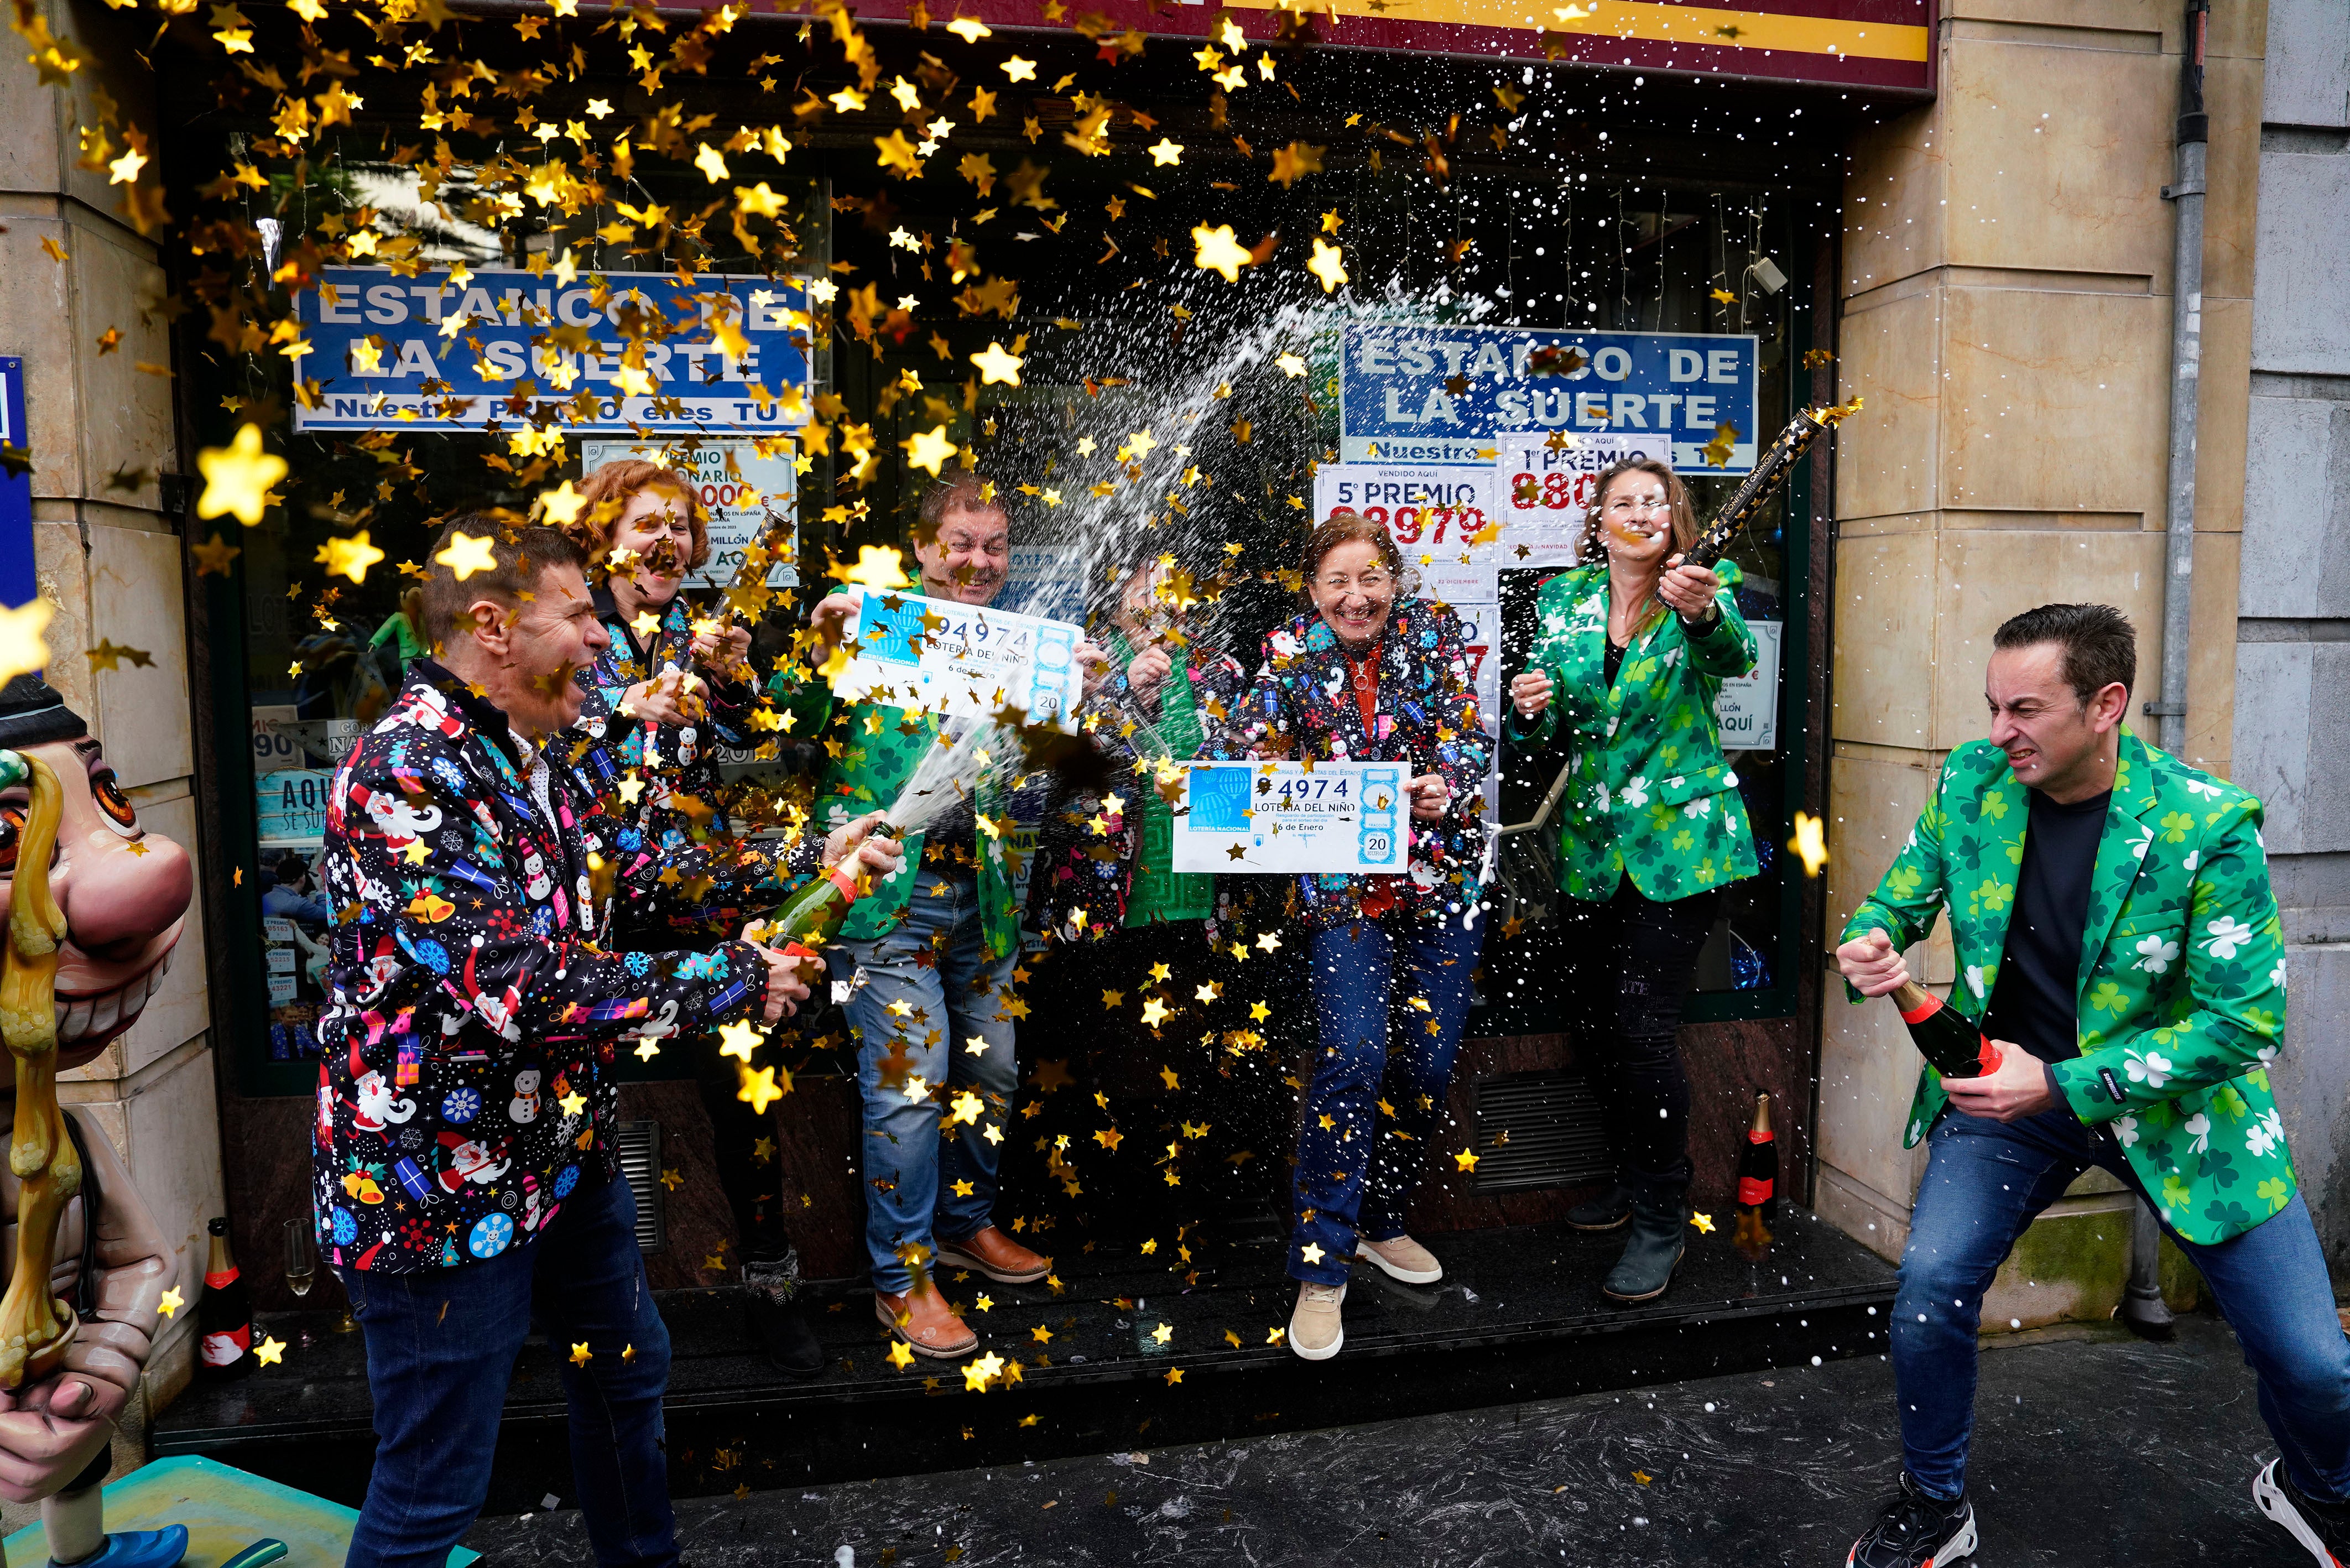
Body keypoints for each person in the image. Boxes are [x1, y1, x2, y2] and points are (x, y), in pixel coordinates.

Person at [311, 519, 864, 1568]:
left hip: (561, 1159)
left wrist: (814, 860)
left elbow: (650, 872)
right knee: (434, 1484)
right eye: (577, 614)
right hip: (431, 1187)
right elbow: (520, 988)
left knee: (624, 1374)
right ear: (492, 628)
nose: (604, 640)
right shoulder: (404, 774)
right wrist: (742, 977)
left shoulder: (540, 752)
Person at [1832, 603, 2350, 1568]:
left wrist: (2065, 1081)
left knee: (2314, 1367)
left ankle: (2319, 1493)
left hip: (2179, 1115)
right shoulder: (1971, 780)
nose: (1997, 732)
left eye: (2023, 709)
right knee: (1929, 1290)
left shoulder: (2205, 822)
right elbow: (1901, 893)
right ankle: (1932, 1505)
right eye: (1991, 706)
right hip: (2004, 1106)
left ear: (2105, 703)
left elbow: (2242, 1026)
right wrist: (1874, 937)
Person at [564, 457, 826, 1378]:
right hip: (580, 901)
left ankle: (771, 1288)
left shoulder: (686, 627)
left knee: (746, 1068)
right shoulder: (568, 631)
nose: (666, 541)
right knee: (563, 1100)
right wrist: (615, 714)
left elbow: (751, 739)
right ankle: (560, 1298)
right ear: (601, 533)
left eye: (679, 526)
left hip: (677, 890)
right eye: (647, 524)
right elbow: (529, 745)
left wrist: (740, 678)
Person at [1212, 510, 1489, 1362]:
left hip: (1437, 884)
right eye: (1337, 581)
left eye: (1370, 577)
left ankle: (1382, 1218)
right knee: (1353, 1055)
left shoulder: (1434, 633)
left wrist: (1452, 781)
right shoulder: (1290, 654)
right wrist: (1289, 771)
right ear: (1311, 591)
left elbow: (1472, 739)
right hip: (1344, 901)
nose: (1355, 595)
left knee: (1429, 1061)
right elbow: (1233, 759)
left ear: (1394, 581)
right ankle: (1322, 1262)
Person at [793, 469, 1054, 1360]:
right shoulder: (876, 625)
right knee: (908, 1095)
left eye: (995, 545)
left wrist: (1076, 689)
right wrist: (817, 648)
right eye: (961, 543)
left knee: (996, 1073)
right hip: (884, 901)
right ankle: (901, 1280)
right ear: (922, 548)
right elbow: (790, 721)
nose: (979, 560)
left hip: (983, 898)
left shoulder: (1019, 643)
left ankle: (962, 1224)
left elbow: (1048, 767)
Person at [1503, 456, 1758, 1304]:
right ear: (1599, 518)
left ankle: (1662, 1211)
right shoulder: (1562, 600)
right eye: (1623, 501)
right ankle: (1629, 1172)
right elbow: (1552, 737)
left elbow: (1734, 657)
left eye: (1655, 500)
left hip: (1680, 849)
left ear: (1674, 515)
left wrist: (1704, 613)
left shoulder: (1701, 585)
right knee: (1595, 1019)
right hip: (1590, 846)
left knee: (1642, 1025)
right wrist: (1528, 707)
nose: (1640, 512)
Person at [0, 676, 187, 1568]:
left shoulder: (71, 1135)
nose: (137, 890)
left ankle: (86, 1556)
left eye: (107, 796)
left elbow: (142, 1259)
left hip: (61, 1379)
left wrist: (107, 1360)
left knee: (77, 1473)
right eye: (8, 838)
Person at [1027, 555, 1267, 1247]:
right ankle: (1081, 1214)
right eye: (1145, 585)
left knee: (1189, 1067)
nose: (1163, 597)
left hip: (1193, 904)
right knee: (1087, 1063)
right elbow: (1055, 774)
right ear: (1117, 593)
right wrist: (1121, 698)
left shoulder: (1222, 670)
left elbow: (1243, 777)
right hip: (1097, 905)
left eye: (1176, 582)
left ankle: (1182, 1213)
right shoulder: (1081, 664)